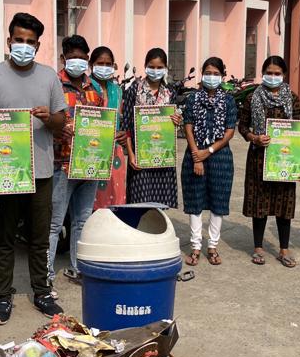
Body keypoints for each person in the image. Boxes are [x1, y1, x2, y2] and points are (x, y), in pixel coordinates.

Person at [0, 12, 67, 324]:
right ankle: (3, 297)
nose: (24, 46)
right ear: (9, 41)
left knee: (39, 238)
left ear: (37, 45)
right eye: (19, 40)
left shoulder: (49, 77)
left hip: (41, 173)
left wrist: (49, 118)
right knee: (4, 238)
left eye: (30, 42)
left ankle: (42, 292)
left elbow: (61, 121)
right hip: (5, 174)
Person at [238, 55, 300, 267]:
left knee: (284, 202)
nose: (273, 76)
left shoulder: (293, 99)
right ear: (262, 73)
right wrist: (254, 138)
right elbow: (243, 126)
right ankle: (258, 247)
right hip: (259, 158)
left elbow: (297, 132)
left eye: (277, 73)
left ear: (284, 75)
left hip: (285, 159)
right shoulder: (253, 97)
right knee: (259, 202)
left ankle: (283, 249)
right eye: (269, 73)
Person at [48, 34, 103, 287]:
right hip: (61, 163)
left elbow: (101, 124)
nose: (77, 62)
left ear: (87, 60)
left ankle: (78, 268)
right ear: (63, 58)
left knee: (82, 221)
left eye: (82, 58)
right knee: (55, 223)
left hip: (89, 166)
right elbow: (44, 122)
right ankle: (46, 275)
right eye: (72, 57)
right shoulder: (53, 86)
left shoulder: (95, 90)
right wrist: (58, 130)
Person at [181, 57, 237, 266]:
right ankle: (195, 246)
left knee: (218, 201)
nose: (211, 77)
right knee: (195, 201)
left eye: (216, 74)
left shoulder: (228, 100)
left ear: (222, 76)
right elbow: (188, 126)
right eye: (208, 73)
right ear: (202, 74)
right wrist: (197, 156)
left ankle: (212, 246)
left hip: (220, 157)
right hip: (194, 155)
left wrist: (210, 150)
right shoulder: (193, 99)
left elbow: (230, 131)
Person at [123, 48, 182, 208]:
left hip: (163, 157)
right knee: (139, 202)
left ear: (165, 68)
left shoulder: (170, 92)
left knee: (160, 205)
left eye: (159, 67)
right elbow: (126, 125)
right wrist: (131, 155)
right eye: (151, 66)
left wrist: (177, 120)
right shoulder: (134, 90)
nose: (155, 71)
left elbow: (173, 123)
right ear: (145, 66)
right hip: (140, 157)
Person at [89, 45, 127, 209]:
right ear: (91, 64)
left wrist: (123, 134)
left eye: (108, 64)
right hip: (92, 150)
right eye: (100, 63)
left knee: (115, 199)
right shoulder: (86, 88)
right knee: (91, 201)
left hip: (115, 151)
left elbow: (120, 119)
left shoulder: (117, 90)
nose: (104, 67)